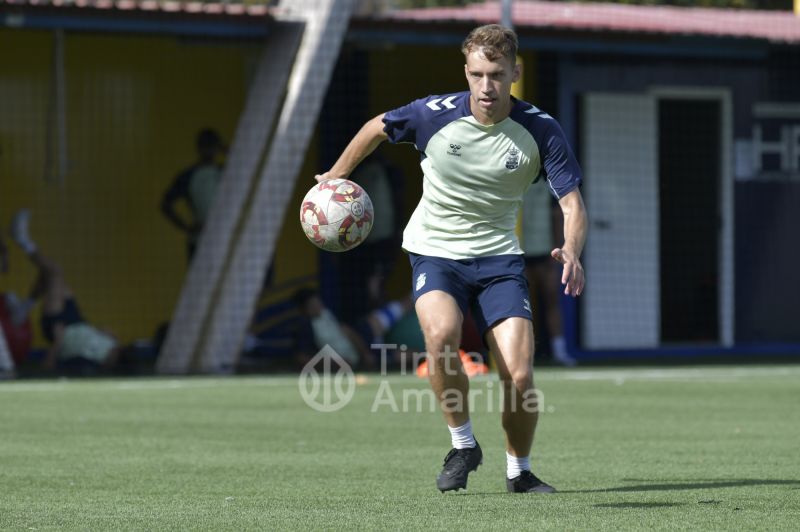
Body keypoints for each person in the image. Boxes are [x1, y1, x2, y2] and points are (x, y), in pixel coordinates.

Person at [315, 25, 587, 494]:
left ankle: (519, 473)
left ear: (515, 73)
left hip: (500, 260)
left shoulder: (540, 129)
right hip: (435, 252)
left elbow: (572, 204)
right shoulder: (432, 114)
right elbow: (376, 128)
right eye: (478, 74)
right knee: (440, 335)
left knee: (520, 374)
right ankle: (463, 445)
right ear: (466, 72)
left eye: (497, 75)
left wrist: (574, 251)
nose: (486, 87)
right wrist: (333, 178)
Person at [8, 209, 122, 373]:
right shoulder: (113, 345)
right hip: (78, 320)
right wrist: (103, 332)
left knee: (55, 272)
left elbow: (46, 367)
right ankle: (23, 310)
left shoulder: (91, 362)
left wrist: (58, 342)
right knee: (48, 275)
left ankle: (23, 240)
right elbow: (103, 336)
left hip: (60, 327)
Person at [521, 181, 577, 366]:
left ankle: (559, 351)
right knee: (528, 306)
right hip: (521, 255)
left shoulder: (548, 187)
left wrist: (560, 252)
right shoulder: (514, 183)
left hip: (546, 255)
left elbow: (557, 217)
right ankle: (530, 353)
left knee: (552, 302)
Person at [161, 128, 226, 260]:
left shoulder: (224, 172)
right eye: (206, 146)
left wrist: (226, 149)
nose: (209, 150)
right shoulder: (189, 176)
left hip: (223, 240)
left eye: (212, 146)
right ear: (199, 148)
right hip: (199, 243)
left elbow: (247, 169)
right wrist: (187, 227)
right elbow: (165, 205)